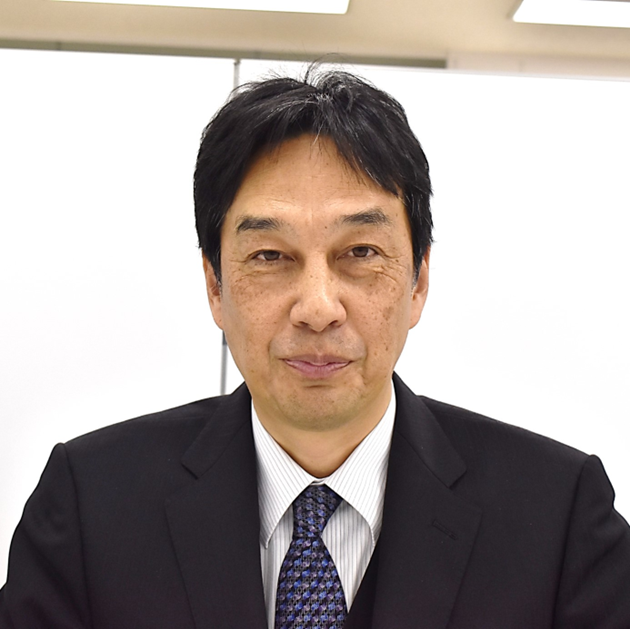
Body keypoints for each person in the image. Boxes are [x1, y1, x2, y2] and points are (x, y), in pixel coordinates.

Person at [1, 67, 629, 629]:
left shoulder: (560, 517)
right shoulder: (90, 505)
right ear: (215, 286)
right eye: (270, 256)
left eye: (360, 252)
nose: (318, 307)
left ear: (419, 282)